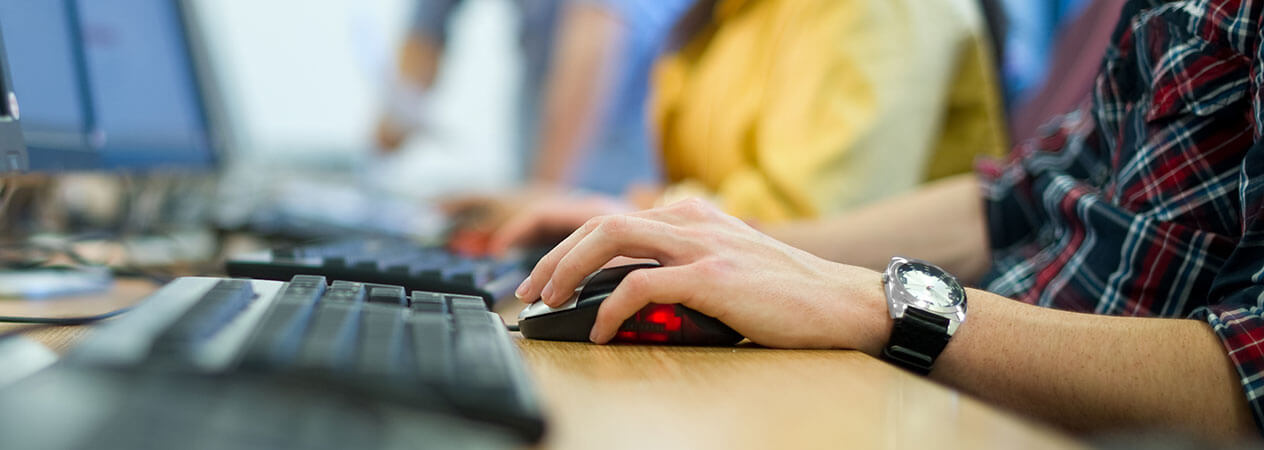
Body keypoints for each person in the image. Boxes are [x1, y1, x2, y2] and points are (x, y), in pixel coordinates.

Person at [510, 0, 1264, 437]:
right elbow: (1016, 199)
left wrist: (880, 304)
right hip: (956, 391)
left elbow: (1251, 369)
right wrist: (702, 239)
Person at [463, 0, 1008, 254]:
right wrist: (604, 212)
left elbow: (807, 233)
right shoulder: (726, 18)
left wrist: (624, 216)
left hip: (874, 364)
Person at [376, 0, 691, 196]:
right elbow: (424, 35)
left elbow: (596, 34)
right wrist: (393, 124)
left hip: (608, 188)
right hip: (540, 173)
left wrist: (544, 193)